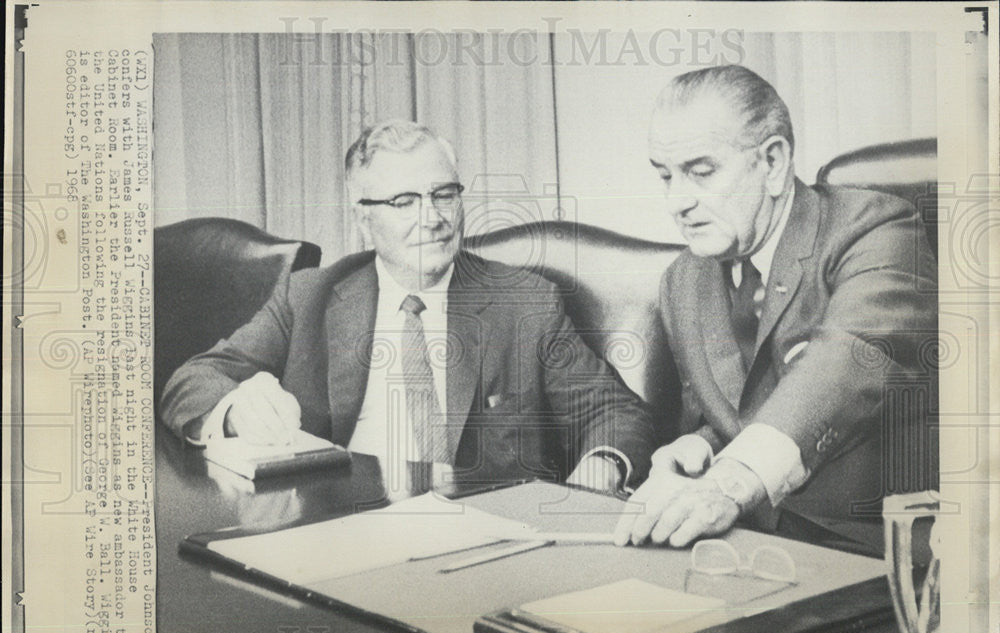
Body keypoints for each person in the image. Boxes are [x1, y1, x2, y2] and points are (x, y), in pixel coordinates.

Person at [161, 119, 655, 493]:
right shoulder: (309, 296)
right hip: (338, 531)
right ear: (363, 219)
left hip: (480, 539)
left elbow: (614, 411)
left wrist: (600, 469)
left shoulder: (526, 301)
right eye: (404, 201)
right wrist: (234, 412)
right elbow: (192, 380)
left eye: (444, 194)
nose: (433, 218)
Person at [614, 65, 937, 552]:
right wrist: (701, 446)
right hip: (741, 547)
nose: (676, 201)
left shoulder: (876, 228)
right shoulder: (683, 279)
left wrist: (727, 483)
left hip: (874, 554)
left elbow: (848, 362)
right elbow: (742, 408)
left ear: (772, 163)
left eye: (701, 173)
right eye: (665, 176)